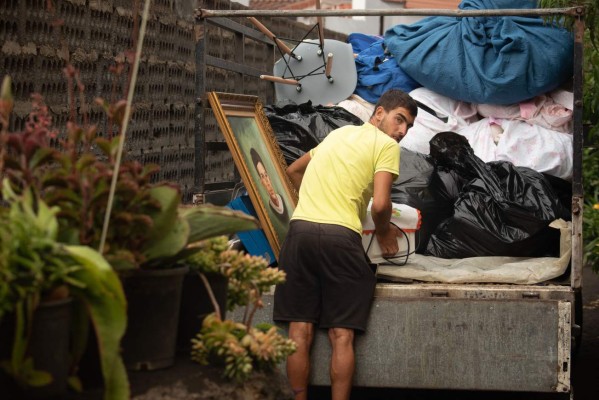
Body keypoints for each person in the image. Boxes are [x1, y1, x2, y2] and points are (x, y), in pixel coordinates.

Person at [273, 89, 418, 400]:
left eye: (408, 127)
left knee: (299, 332)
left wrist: (312, 199)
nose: (402, 131)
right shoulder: (386, 147)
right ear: (379, 113)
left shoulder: (338, 136)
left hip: (299, 235)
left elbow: (292, 170)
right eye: (399, 120)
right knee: (341, 336)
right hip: (340, 240)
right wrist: (384, 233)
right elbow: (381, 206)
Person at [250, 147, 289, 223]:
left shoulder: (283, 197)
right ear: (261, 181)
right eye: (262, 176)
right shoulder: (269, 208)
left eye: (266, 175)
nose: (267, 181)